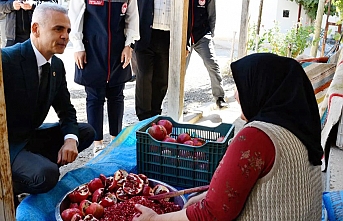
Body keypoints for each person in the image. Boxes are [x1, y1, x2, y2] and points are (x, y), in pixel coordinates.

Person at [132, 53, 323, 221]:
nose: (235, 94)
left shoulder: (256, 137)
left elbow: (213, 214)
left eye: (242, 85)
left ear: (261, 89)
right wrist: (209, 195)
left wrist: (153, 219)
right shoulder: (300, 129)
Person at [1, 2, 95, 206]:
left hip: (30, 137)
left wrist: (70, 140)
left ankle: (33, 167)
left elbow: (67, 111)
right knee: (47, 175)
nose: (66, 36)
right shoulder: (7, 60)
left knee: (85, 132)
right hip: (7, 145)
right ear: (36, 29)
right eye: (58, 29)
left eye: (68, 30)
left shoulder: (56, 65)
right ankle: (11, 183)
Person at [68, 0, 140, 156]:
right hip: (91, 48)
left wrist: (129, 45)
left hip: (118, 49)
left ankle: (116, 141)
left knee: (117, 96)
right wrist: (78, 45)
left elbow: (132, 17)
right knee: (94, 97)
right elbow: (75, 16)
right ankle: (97, 144)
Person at [186, 0, 228, 108]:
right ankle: (177, 103)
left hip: (202, 35)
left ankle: (219, 97)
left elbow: (212, 15)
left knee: (212, 63)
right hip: (184, 36)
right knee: (179, 70)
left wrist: (210, 33)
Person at [134, 0, 171, 121]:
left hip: (169, 36)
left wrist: (186, 41)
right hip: (145, 33)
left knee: (162, 79)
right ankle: (144, 118)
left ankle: (155, 114)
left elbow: (188, 11)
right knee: (144, 76)